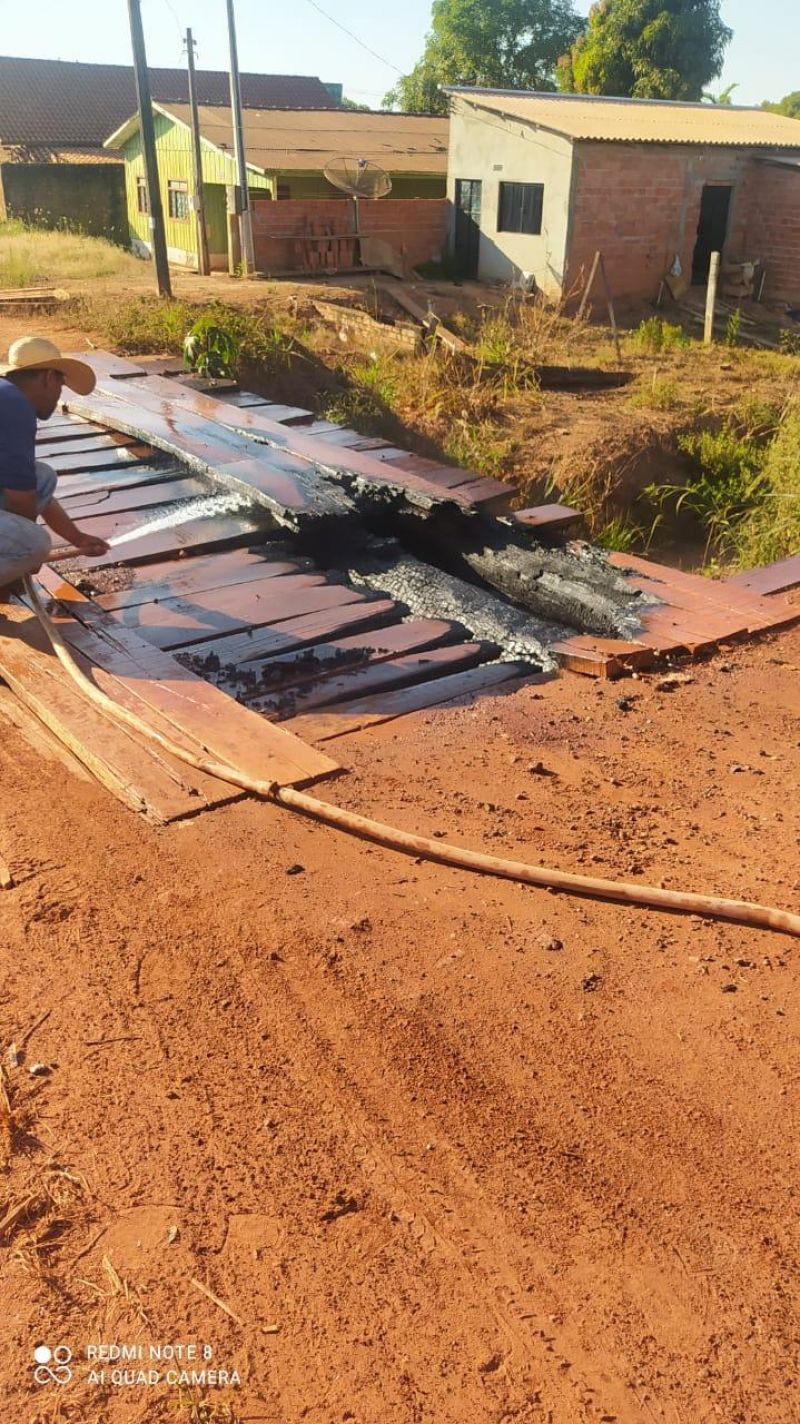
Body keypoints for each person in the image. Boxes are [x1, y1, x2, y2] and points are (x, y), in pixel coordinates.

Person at [0, 336, 110, 592]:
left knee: (42, 475)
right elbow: (20, 498)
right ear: (48, 377)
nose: (58, 397)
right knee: (36, 543)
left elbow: (29, 486)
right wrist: (28, 556)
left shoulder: (6, 396)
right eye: (60, 386)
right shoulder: (14, 406)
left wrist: (76, 538)